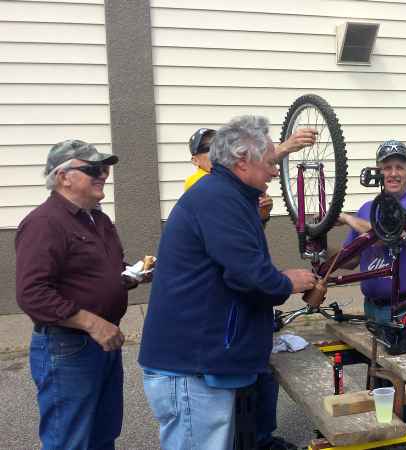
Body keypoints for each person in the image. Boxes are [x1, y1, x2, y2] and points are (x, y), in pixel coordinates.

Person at [138, 115, 318, 450]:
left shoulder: (228, 196)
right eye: (269, 162)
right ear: (241, 162)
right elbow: (250, 275)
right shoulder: (218, 199)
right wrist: (287, 280)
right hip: (192, 367)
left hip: (201, 364)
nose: (274, 171)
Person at [15, 139, 143, 449]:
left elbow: (96, 272)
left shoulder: (96, 218)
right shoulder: (44, 223)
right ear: (63, 176)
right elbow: (32, 293)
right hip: (69, 346)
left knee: (102, 434)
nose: (103, 175)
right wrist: (93, 323)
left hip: (102, 344)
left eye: (104, 169)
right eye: (93, 169)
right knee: (69, 441)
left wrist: (128, 276)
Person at [337, 139, 406, 421]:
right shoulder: (367, 207)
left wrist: (344, 217)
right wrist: (320, 257)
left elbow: (389, 234)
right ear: (378, 172)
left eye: (399, 167)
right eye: (387, 167)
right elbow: (351, 258)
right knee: (381, 380)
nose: (393, 173)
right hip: (375, 309)